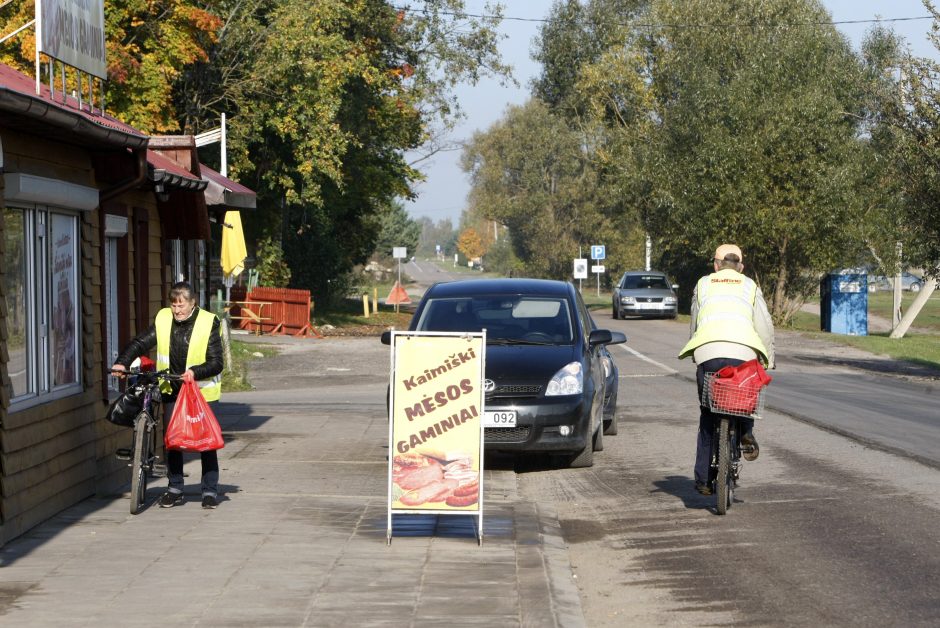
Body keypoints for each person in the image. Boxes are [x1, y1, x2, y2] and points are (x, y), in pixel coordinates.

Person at [112, 281, 224, 509]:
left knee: (205, 443)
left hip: (201, 392)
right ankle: (174, 488)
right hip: (172, 388)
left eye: (181, 305)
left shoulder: (208, 322)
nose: (177, 310)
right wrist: (122, 363)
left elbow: (216, 362)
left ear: (193, 303)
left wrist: (194, 372)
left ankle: (210, 490)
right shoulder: (164, 319)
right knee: (173, 441)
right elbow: (141, 342)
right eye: (174, 305)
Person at [678, 244, 775, 496]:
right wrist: (768, 359)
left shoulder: (703, 284)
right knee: (744, 394)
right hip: (743, 353)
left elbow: (696, 322)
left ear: (716, 265)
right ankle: (746, 432)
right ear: (741, 267)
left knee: (708, 414)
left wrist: (696, 354)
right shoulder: (750, 286)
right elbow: (764, 327)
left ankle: (702, 479)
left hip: (708, 353)